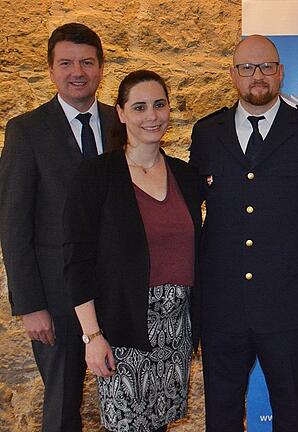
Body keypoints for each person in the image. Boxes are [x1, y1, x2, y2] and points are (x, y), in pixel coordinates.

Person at [188, 35, 298, 431]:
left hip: (288, 301)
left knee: (290, 408)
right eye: (246, 68)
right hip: (222, 302)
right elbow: (196, 205)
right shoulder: (207, 133)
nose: (256, 76)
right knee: (223, 412)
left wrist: (290, 253)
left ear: (280, 73)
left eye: (265, 67)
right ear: (233, 75)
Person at [62, 70, 202, 432]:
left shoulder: (185, 176)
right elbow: (78, 261)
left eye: (159, 105)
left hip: (176, 329)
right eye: (139, 107)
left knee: (160, 426)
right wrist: (92, 337)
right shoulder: (95, 175)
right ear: (121, 113)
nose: (151, 116)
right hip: (121, 330)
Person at [0, 23, 118, 431]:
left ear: (102, 67)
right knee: (63, 406)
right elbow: (14, 224)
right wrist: (30, 304)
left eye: (87, 62)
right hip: (55, 299)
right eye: (66, 63)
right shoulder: (27, 130)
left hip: (117, 293)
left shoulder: (120, 123)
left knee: (129, 402)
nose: (77, 72)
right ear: (51, 70)